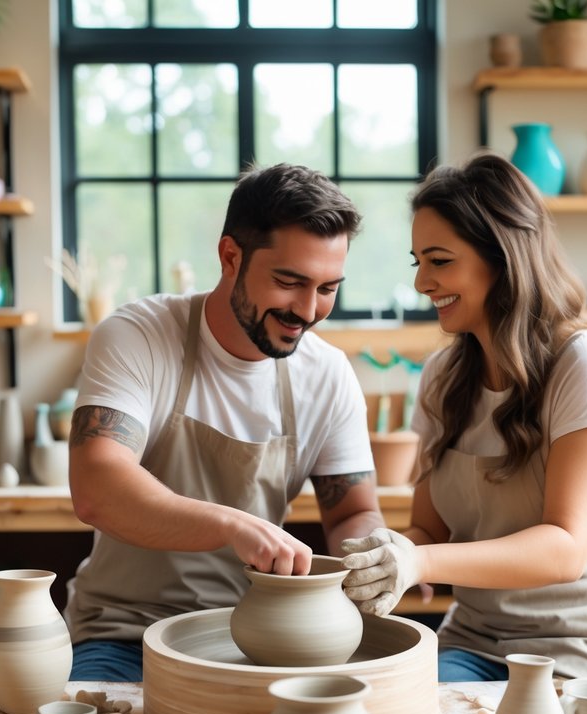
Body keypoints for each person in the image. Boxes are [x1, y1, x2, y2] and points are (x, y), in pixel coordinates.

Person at [340, 150, 587, 683]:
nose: (422, 284)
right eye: (419, 263)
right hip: (474, 640)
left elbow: (566, 548)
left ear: (504, 256)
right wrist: (386, 556)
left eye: (440, 261)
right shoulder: (442, 375)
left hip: (581, 647)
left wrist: (423, 563)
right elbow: (429, 528)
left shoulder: (585, 364)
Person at [66, 163, 386, 682]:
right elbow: (96, 487)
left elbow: (352, 511)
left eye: (328, 288)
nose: (307, 310)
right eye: (289, 282)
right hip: (126, 634)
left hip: (262, 637)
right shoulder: (139, 335)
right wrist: (233, 526)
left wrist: (377, 555)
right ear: (230, 257)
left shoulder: (327, 374)